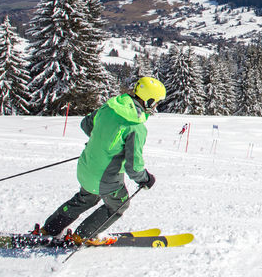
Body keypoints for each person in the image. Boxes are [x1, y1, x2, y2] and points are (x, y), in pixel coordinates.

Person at [34, 77, 166, 242]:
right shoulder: (136, 127)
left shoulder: (109, 107)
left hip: (86, 167)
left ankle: (51, 228)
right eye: (156, 103)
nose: (155, 107)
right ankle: (83, 235)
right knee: (119, 204)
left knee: (86, 198)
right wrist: (146, 179)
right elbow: (134, 166)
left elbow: (86, 124)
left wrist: (100, 144)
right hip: (105, 178)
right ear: (149, 99)